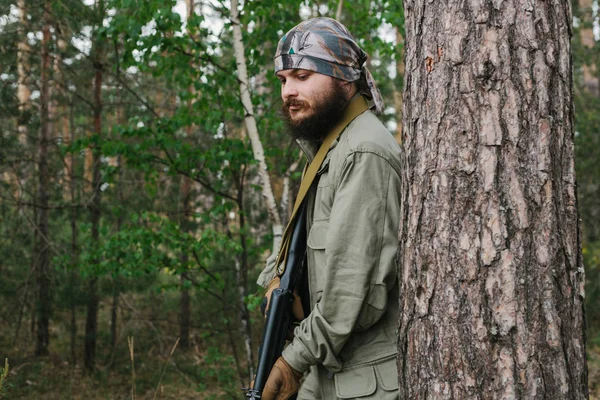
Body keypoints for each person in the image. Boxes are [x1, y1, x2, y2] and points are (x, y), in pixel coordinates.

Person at [257, 17, 402, 400]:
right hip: (328, 369)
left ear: (344, 78)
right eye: (283, 79)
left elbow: (352, 294)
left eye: (303, 76)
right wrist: (275, 279)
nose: (288, 90)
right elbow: (304, 244)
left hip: (363, 379)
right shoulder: (329, 148)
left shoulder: (364, 150)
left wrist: (291, 362)